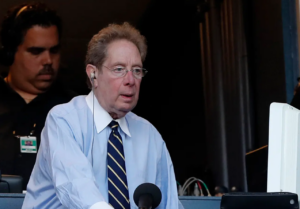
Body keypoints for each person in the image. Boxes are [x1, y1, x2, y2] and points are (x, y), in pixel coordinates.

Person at [22, 22, 184, 209]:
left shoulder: (149, 135)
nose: (130, 81)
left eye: (137, 71)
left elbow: (169, 203)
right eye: (119, 69)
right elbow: (76, 186)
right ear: (93, 74)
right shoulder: (64, 120)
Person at [0, 2, 76, 189]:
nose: (48, 61)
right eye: (36, 51)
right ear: (9, 53)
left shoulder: (75, 109)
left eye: (54, 51)